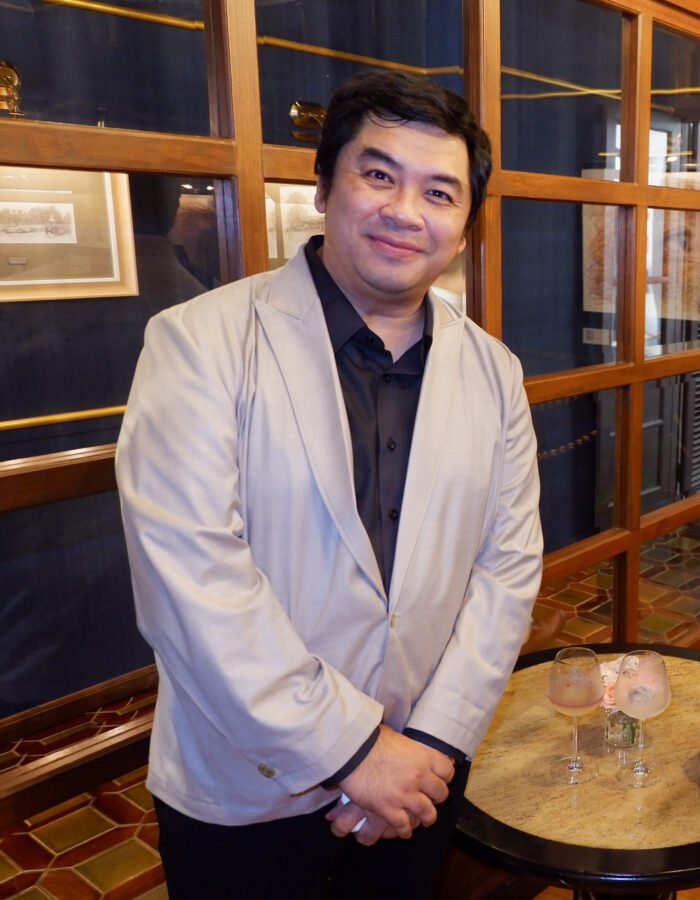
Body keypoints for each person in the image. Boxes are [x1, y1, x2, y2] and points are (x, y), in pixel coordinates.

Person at [116, 69, 543, 898]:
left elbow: (508, 569)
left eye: (440, 192)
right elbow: (190, 580)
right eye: (378, 175)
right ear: (322, 188)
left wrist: (432, 743)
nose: (405, 211)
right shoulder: (199, 342)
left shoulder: (494, 371)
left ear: (465, 229)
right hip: (247, 788)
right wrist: (353, 752)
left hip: (420, 775)